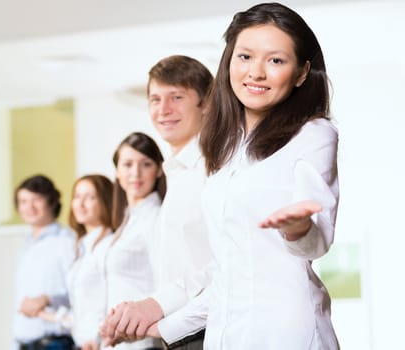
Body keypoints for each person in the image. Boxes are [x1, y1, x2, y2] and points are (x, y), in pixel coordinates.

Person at [146, 3, 341, 349]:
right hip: (226, 336)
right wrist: (166, 328)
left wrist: (299, 229)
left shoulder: (313, 134)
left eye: (276, 60)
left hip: (288, 335)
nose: (256, 72)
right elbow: (229, 275)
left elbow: (318, 241)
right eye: (245, 57)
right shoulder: (224, 147)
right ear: (229, 61)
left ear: (301, 73)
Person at [101, 56, 214, 350]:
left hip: (206, 332)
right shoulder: (176, 175)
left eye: (177, 97)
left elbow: (228, 265)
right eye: (155, 99)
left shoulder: (213, 171)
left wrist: (155, 307)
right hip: (176, 333)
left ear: (206, 104)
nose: (163, 110)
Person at [102, 132, 166, 350]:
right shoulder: (127, 220)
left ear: (159, 169)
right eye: (127, 164)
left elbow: (164, 283)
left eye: (145, 164)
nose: (135, 173)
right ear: (117, 172)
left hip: (143, 343)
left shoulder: (156, 218)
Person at [38, 174, 114, 350]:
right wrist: (46, 315)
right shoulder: (82, 247)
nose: (80, 204)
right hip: (82, 343)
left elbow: (109, 304)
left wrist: (98, 338)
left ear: (106, 201)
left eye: (90, 197)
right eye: (77, 197)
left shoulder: (109, 246)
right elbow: (83, 312)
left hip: (102, 345)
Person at [12, 175, 75, 350]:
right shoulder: (26, 245)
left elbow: (79, 291)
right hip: (24, 343)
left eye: (36, 200)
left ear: (52, 202)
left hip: (55, 343)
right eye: (23, 201)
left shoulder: (67, 241)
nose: (29, 207)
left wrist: (47, 299)